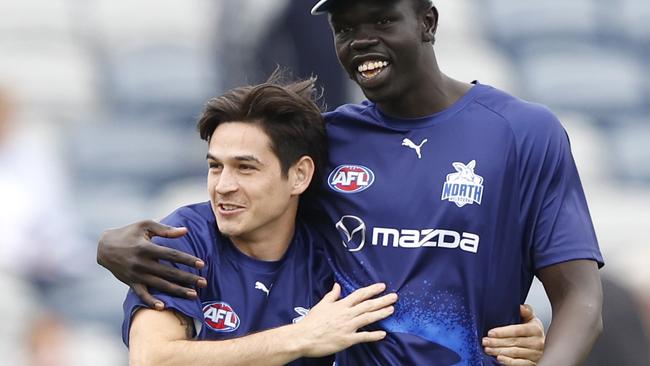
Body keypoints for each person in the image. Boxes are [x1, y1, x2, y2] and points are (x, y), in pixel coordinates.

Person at [98, 0, 607, 364]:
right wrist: (111, 245)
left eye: (382, 18)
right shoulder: (328, 139)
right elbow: (243, 197)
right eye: (344, 26)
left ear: (427, 21)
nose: (361, 38)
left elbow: (581, 299)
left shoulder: (523, 132)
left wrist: (547, 350)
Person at [125, 74, 401, 366]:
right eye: (215, 166)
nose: (223, 186)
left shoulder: (335, 251)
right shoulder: (182, 238)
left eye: (245, 168)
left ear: (299, 176)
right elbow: (152, 360)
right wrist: (300, 337)